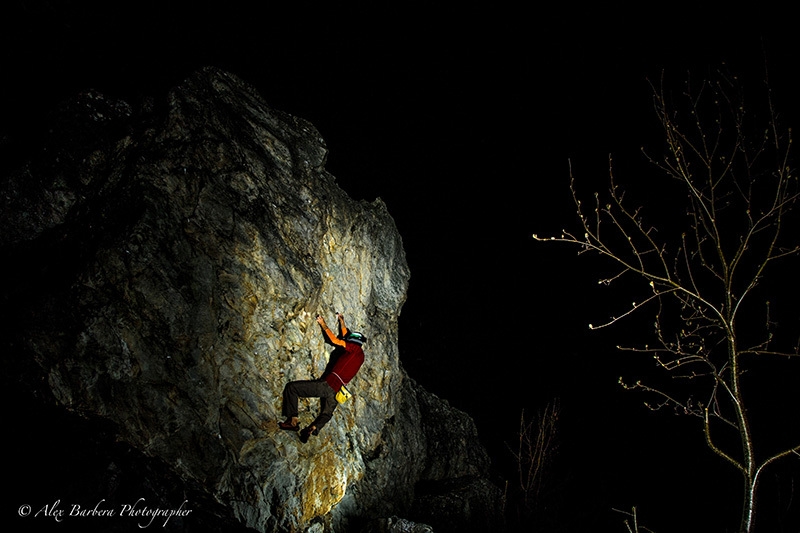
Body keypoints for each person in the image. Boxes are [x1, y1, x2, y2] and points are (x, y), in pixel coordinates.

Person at [279, 312, 366, 443]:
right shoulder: (360, 355)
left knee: (292, 388)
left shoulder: (353, 348)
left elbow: (335, 341)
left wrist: (322, 323)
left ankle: (293, 421)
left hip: (328, 385)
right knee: (326, 413)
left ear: (353, 342)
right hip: (338, 392)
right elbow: (345, 335)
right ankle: (313, 428)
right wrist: (341, 321)